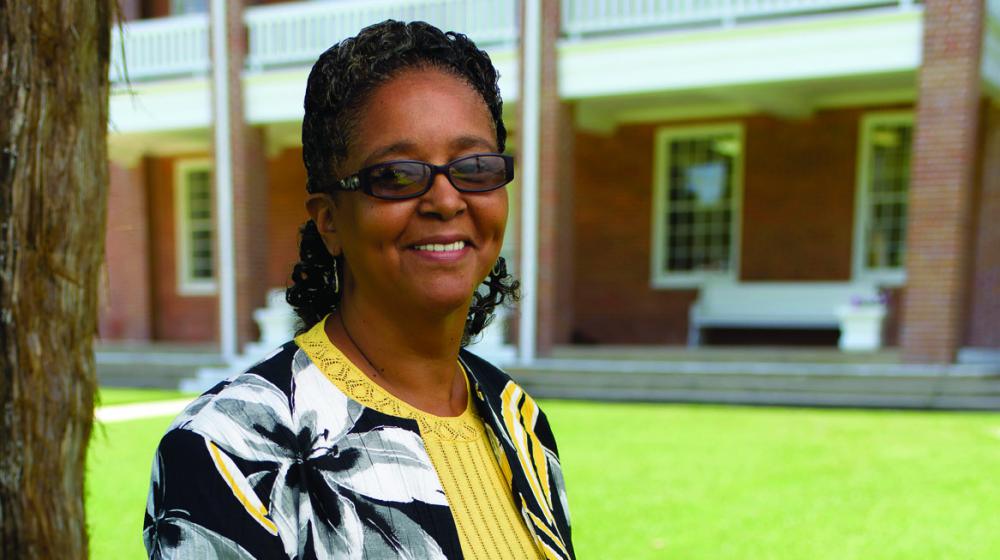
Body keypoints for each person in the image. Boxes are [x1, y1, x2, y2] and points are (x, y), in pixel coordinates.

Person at [143, 20, 574, 559]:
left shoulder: (519, 419)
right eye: (396, 175)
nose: (445, 200)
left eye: (475, 166)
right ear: (329, 220)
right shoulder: (227, 449)